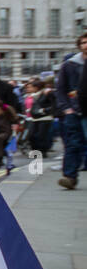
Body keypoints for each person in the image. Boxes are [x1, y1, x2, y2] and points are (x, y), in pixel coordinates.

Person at [56, 34, 87, 189]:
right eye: (84, 42)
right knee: (73, 143)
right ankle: (69, 176)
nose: (86, 45)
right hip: (74, 110)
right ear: (79, 45)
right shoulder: (70, 65)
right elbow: (61, 89)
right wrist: (66, 108)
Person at [24, 78, 57, 157]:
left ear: (36, 87)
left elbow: (54, 105)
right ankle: (35, 151)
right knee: (32, 136)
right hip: (34, 118)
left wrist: (44, 110)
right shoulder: (32, 96)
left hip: (45, 118)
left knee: (41, 136)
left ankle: (42, 152)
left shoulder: (47, 93)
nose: (29, 88)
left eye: (31, 87)